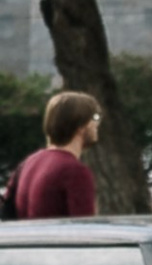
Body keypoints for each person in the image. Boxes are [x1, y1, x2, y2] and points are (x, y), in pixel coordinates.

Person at [9, 91, 103, 219]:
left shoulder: (27, 163)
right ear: (80, 125)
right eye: (95, 118)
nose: (98, 123)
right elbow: (84, 228)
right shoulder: (75, 172)